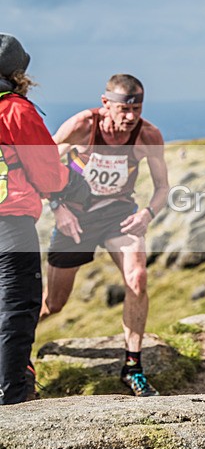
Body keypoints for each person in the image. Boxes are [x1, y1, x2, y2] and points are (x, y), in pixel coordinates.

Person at [41, 73, 169, 397]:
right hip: (76, 217)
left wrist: (147, 213)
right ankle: (17, 355)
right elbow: (40, 164)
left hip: (118, 214)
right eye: (123, 110)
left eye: (136, 109)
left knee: (137, 277)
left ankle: (133, 366)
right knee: (53, 304)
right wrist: (57, 206)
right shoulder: (83, 125)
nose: (130, 117)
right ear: (105, 104)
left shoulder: (148, 135)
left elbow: (162, 187)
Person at [0, 34, 68, 404]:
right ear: (18, 73)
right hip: (9, 226)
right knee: (16, 308)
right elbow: (48, 175)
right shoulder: (15, 110)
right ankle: (9, 395)